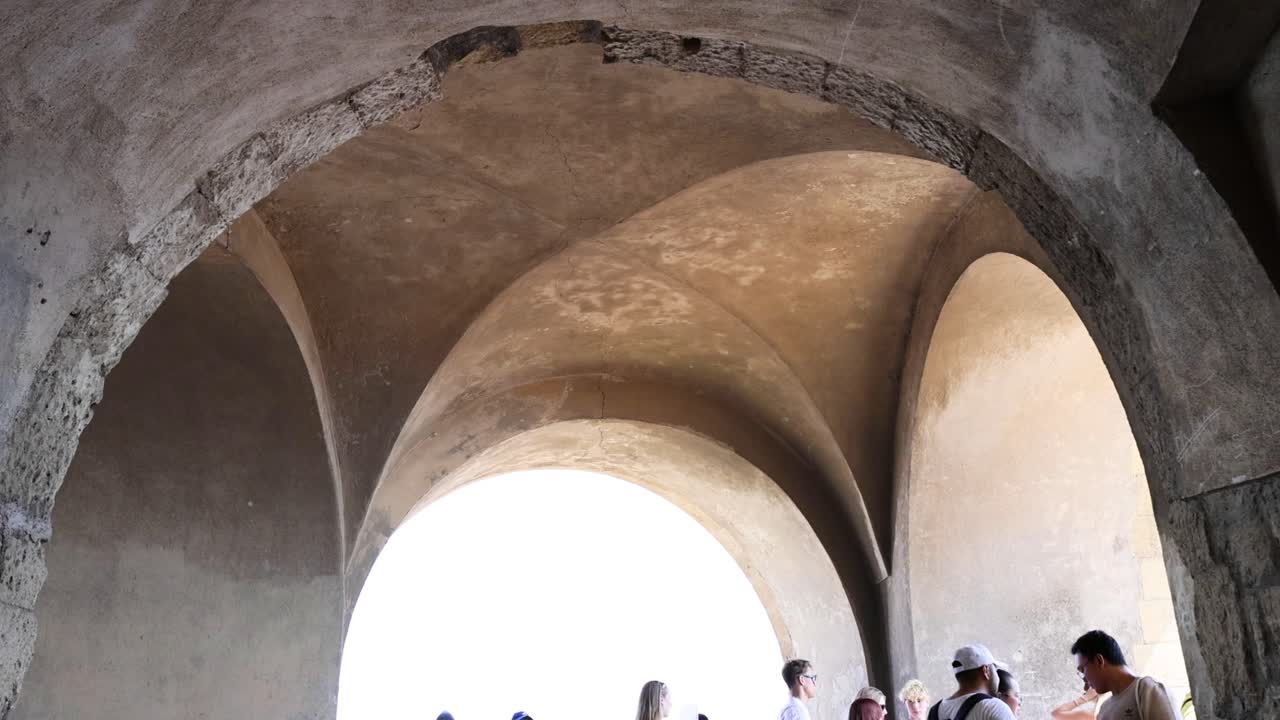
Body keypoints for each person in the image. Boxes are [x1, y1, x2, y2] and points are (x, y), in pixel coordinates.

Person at [1072, 630, 1178, 720]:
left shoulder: (1147, 690)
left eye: (1082, 670)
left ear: (1099, 661)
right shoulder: (1104, 709)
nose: (1085, 681)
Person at [928, 644, 1016, 720]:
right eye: (995, 669)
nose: (997, 677)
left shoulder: (934, 711)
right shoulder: (994, 708)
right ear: (986, 671)